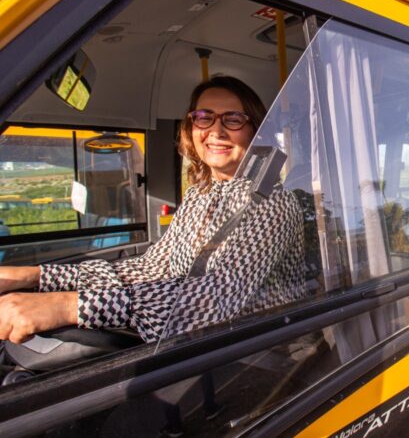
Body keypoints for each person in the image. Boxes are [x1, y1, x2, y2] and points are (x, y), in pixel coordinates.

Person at [0, 76, 305, 344]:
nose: (216, 131)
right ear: (191, 126)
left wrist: (70, 306)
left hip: (259, 351)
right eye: (204, 117)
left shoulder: (273, 204)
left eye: (233, 119)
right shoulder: (201, 195)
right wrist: (37, 276)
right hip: (200, 343)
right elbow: (150, 269)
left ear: (256, 132)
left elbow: (214, 299)